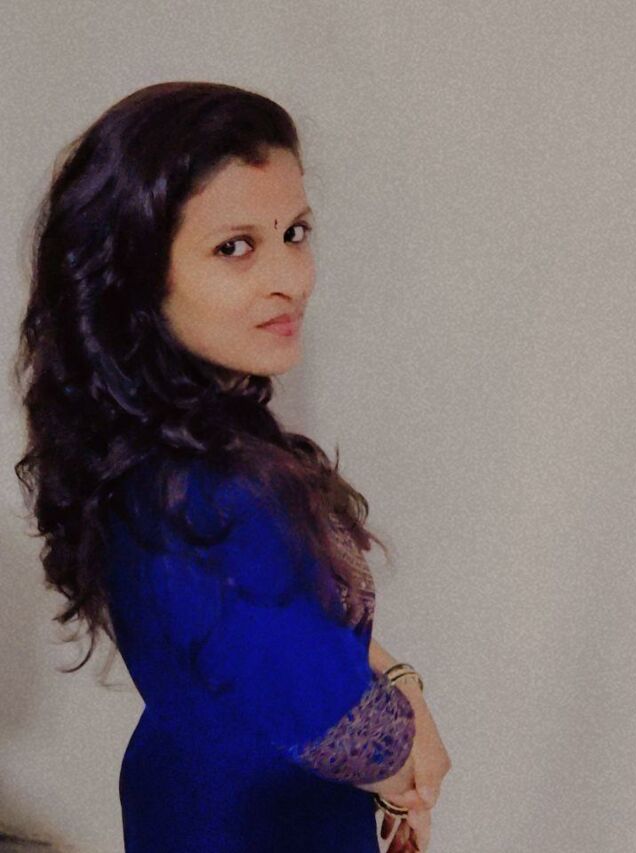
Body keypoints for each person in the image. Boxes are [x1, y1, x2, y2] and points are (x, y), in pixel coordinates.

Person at [13, 81, 451, 852]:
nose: (291, 277)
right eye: (235, 246)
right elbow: (350, 733)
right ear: (134, 275)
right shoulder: (216, 492)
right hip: (260, 820)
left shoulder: (147, 441)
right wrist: (406, 759)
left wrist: (402, 684)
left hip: (191, 788)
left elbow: (297, 636)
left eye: (294, 231)